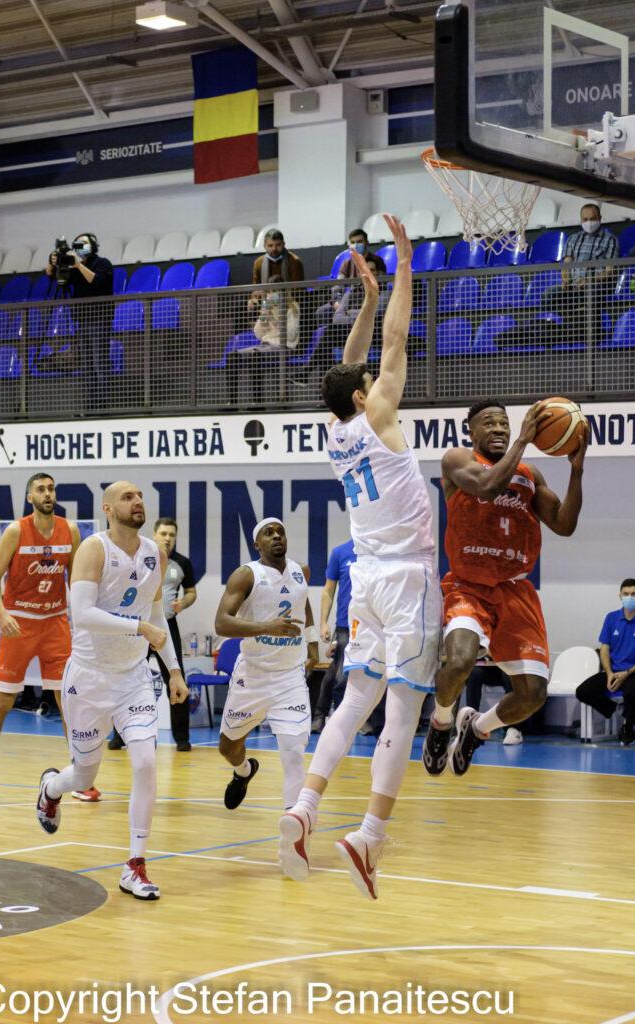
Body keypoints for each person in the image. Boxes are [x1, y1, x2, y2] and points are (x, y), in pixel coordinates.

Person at [278, 214, 441, 900]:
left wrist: (365, 300)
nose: (378, 379)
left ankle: (304, 807)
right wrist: (403, 265)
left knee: (352, 702)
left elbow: (350, 361)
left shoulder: (336, 429)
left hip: (365, 579)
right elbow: (397, 342)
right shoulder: (377, 416)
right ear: (362, 397)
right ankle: (369, 836)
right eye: (369, 380)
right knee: (401, 711)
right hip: (406, 578)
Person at [34, 481, 189, 901]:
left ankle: (135, 864)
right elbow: (82, 615)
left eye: (139, 496)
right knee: (83, 775)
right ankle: (51, 789)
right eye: (127, 497)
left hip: (133, 677)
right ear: (107, 508)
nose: (137, 501)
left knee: (145, 763)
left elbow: (156, 613)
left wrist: (174, 670)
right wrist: (139, 627)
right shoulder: (94, 549)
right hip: (89, 678)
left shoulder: (155, 554)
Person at [421, 400, 586, 776]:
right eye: (489, 424)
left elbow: (564, 525)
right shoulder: (458, 460)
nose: (498, 429)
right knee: (460, 661)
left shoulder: (530, 475)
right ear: (472, 433)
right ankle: (441, 721)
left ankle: (477, 729)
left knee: (532, 695)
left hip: (515, 591)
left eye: (504, 424)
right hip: (468, 586)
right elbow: (486, 488)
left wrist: (576, 469)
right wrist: (524, 440)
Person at [0, 473, 95, 808]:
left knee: (68, 699)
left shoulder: (69, 530)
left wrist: (83, 616)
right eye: (41, 489)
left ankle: (79, 777)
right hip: (21, 623)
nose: (48, 493)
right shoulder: (16, 530)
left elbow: (76, 577)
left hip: (55, 622)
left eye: (51, 488)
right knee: (2, 701)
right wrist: (1, 613)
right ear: (30, 497)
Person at [213, 518, 318, 812]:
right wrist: (266, 627)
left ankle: (293, 823)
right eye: (268, 533)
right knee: (228, 747)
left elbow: (303, 604)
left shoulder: (301, 571)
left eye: (280, 532)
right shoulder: (246, 575)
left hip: (289, 677)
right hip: (253, 676)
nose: (276, 537)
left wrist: (312, 644)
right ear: (256, 543)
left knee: (293, 750)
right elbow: (221, 622)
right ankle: (244, 771)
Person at [108, 517, 197, 752]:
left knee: (176, 677)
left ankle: (182, 738)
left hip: (166, 625)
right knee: (125, 676)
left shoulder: (181, 563)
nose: (168, 538)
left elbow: (191, 592)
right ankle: (118, 736)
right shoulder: (141, 558)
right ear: (155, 534)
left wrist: (184, 602)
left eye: (172, 535)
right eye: (164, 534)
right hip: (137, 627)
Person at [574, 580, 635, 746]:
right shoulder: (611, 618)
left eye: (634, 594)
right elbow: (604, 650)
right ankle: (620, 710)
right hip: (613, 671)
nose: (629, 597)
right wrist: (609, 674)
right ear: (620, 596)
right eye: (626, 594)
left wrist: (627, 673)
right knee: (583, 691)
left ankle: (628, 728)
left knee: (632, 690)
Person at [45, 232, 114, 409]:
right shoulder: (74, 268)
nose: (80, 246)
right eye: (77, 243)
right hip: (82, 320)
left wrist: (78, 264)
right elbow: (54, 277)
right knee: (87, 364)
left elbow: (97, 281)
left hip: (100, 319)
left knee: (99, 362)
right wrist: (53, 262)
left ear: (93, 245)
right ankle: (91, 404)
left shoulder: (102, 263)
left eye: (84, 243)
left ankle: (105, 404)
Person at [541, 204, 618, 342]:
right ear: (581, 220)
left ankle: (579, 327)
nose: (589, 222)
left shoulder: (610, 240)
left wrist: (589, 281)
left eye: (592, 218)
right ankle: (574, 324)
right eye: (585, 219)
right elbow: (566, 266)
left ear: (600, 218)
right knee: (549, 295)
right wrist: (565, 280)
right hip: (574, 286)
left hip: (596, 285)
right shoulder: (573, 239)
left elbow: (609, 271)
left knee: (591, 291)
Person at [313, 538, 357, 733]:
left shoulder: (378, 548)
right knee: (342, 676)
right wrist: (323, 623)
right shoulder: (340, 552)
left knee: (335, 673)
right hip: (345, 627)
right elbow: (328, 591)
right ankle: (336, 722)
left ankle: (320, 715)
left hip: (371, 627)